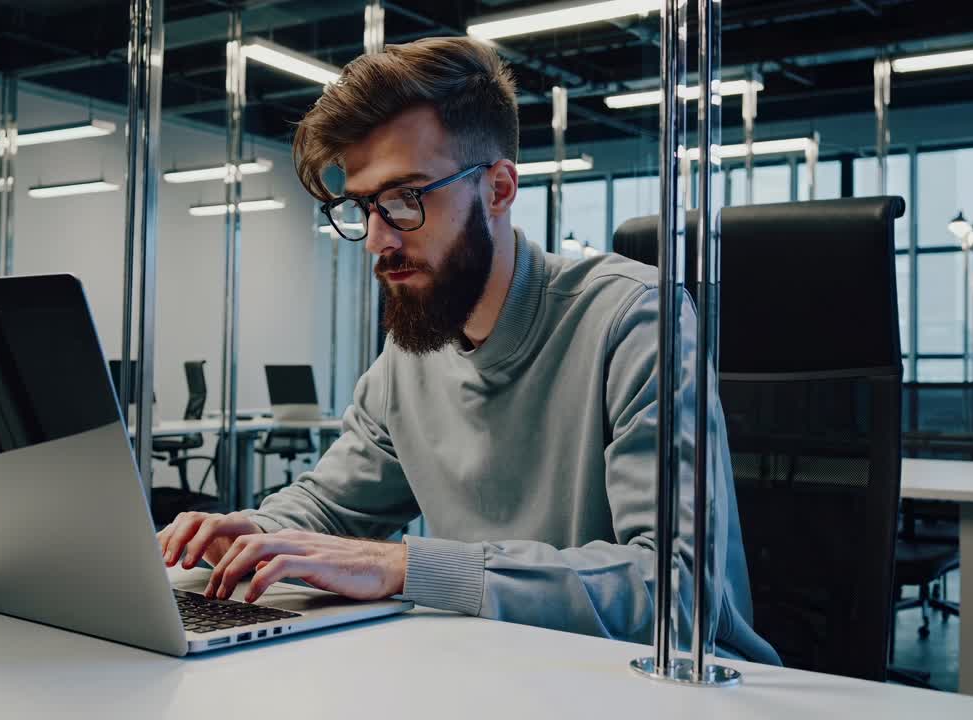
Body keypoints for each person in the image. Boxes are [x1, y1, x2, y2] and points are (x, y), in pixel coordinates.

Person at [158, 36, 779, 664]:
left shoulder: (636, 317)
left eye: (405, 199)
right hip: (501, 673)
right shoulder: (411, 355)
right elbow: (331, 504)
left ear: (499, 190)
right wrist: (258, 532)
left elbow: (675, 591)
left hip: (657, 689)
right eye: (364, 207)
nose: (376, 239)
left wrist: (409, 566)